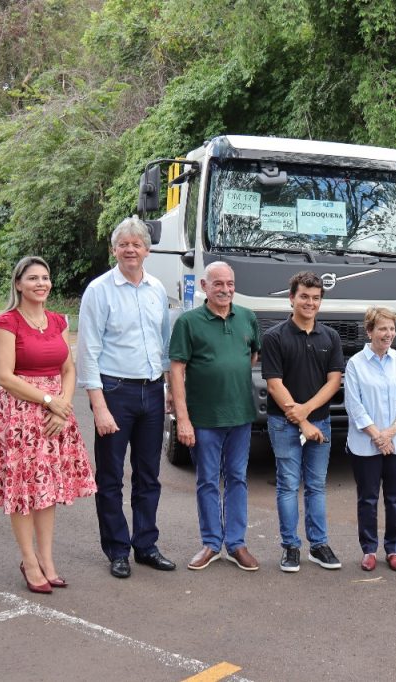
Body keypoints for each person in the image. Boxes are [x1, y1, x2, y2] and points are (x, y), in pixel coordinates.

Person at [0, 256, 96, 593]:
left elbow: (68, 368)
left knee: (46, 488)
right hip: (19, 414)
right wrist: (49, 401)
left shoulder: (58, 321)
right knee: (23, 490)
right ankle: (29, 560)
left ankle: (47, 560)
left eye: (45, 278)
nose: (41, 283)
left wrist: (62, 406)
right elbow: (4, 376)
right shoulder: (7, 322)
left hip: (55, 415)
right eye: (33, 278)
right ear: (19, 284)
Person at [77, 217, 174, 579]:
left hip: (152, 391)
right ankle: (117, 549)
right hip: (115, 391)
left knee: (149, 475)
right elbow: (88, 351)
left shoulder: (156, 289)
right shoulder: (99, 291)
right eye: (124, 244)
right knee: (111, 477)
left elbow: (164, 344)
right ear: (114, 250)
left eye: (137, 244)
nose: (131, 249)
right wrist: (99, 406)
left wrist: (167, 388)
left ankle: (146, 545)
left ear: (147, 250)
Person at [169, 262, 261, 572]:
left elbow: (252, 356)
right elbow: (177, 370)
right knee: (207, 480)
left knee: (237, 479)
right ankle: (211, 543)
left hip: (240, 415)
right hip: (204, 418)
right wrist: (183, 418)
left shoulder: (247, 317)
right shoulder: (188, 322)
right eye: (218, 283)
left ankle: (236, 544)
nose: (225, 289)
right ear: (204, 286)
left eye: (230, 283)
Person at [261, 271, 344, 573]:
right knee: (287, 485)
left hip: (320, 422)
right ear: (291, 298)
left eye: (316, 298)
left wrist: (307, 412)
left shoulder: (330, 337)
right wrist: (302, 422)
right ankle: (290, 547)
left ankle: (319, 545)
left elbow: (334, 381)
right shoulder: (274, 337)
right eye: (304, 296)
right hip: (283, 423)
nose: (310, 303)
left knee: (316, 486)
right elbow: (274, 384)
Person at [344, 307, 396, 572]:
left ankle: (393, 548)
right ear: (369, 331)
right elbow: (354, 406)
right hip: (366, 444)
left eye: (391, 329)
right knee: (367, 499)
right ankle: (369, 549)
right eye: (382, 329)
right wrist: (378, 436)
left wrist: (392, 432)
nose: (388, 334)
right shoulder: (355, 364)